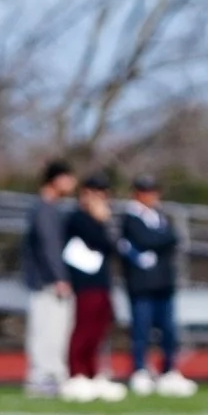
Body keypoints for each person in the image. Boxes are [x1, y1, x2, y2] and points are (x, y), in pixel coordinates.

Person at [118, 175, 195, 397]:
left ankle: (168, 370)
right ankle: (140, 369)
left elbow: (171, 238)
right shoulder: (131, 218)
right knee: (141, 330)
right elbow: (147, 240)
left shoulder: (159, 217)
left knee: (168, 331)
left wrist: (159, 240)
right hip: (142, 286)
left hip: (163, 283)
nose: (153, 196)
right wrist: (160, 240)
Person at [60, 172, 125, 402]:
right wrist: (102, 221)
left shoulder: (103, 219)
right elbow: (96, 241)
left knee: (98, 329)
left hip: (101, 281)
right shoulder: (77, 217)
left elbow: (112, 247)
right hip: (83, 282)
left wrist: (105, 222)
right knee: (83, 328)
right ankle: (76, 373)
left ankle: (91, 373)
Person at [22, 159, 77, 398]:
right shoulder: (44, 208)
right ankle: (40, 378)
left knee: (58, 330)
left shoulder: (53, 208)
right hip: (47, 282)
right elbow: (48, 246)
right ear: (57, 179)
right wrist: (59, 277)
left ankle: (53, 376)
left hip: (52, 280)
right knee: (46, 330)